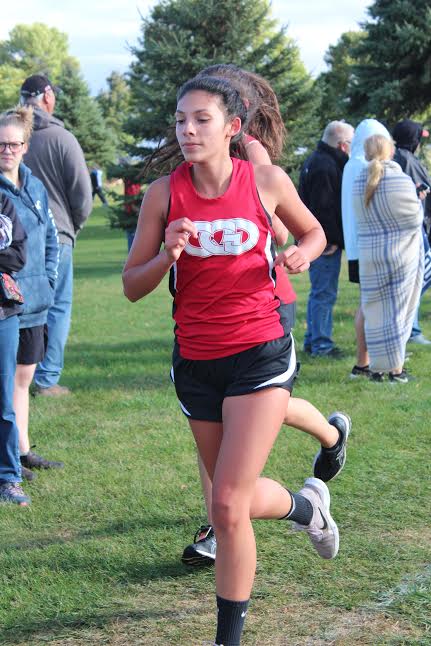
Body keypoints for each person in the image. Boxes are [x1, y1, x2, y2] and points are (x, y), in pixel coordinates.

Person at [123, 75, 340, 646]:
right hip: (196, 361)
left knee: (224, 502)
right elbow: (130, 285)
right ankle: (307, 507)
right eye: (180, 121)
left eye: (201, 119)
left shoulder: (265, 179)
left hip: (259, 353)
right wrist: (166, 252)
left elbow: (316, 232)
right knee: (230, 504)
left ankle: (228, 639)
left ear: (232, 128)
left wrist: (302, 251)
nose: (188, 130)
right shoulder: (162, 195)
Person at [180, 65, 351, 567]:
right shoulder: (187, 161)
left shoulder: (253, 158)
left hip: (266, 302)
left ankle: (223, 520)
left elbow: (280, 225)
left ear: (237, 117)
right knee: (235, 414)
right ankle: (329, 438)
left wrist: (269, 236)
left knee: (262, 404)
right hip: (212, 325)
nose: (192, 126)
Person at [19, 74, 93, 396]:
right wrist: (72, 228)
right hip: (56, 234)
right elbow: (83, 195)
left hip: (14, 235)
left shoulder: (9, 135)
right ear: (47, 96)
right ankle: (46, 379)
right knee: (57, 306)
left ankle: (17, 375)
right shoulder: (62, 139)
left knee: (17, 306)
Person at [0, 105, 63, 478]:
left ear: (25, 146)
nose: (6, 150)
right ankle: (8, 460)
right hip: (7, 304)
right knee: (5, 383)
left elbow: (52, 238)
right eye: (0, 144)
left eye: (13, 144)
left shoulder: (34, 184)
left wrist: (50, 279)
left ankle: (21, 450)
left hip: (37, 301)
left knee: (23, 380)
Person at [353, 134, 423, 382]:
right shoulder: (399, 178)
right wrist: (420, 200)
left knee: (373, 310)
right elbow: (414, 218)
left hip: (370, 254)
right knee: (398, 312)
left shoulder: (359, 179)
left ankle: (373, 367)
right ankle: (395, 371)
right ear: (390, 151)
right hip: (399, 254)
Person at [299, 120, 354, 358]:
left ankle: (313, 341)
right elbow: (323, 209)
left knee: (319, 292)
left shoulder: (316, 160)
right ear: (343, 145)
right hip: (324, 243)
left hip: (316, 240)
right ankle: (321, 345)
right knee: (324, 293)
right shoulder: (326, 166)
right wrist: (330, 240)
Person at [341, 119, 392, 379]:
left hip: (357, 247)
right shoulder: (364, 167)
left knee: (368, 305)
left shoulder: (352, 165)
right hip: (369, 246)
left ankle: (365, 362)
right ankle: (366, 363)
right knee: (372, 307)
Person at [0, 192, 29, 505]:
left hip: (3, 313)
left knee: (3, 402)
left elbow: (17, 257)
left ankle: (8, 476)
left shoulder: (3, 203)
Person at [392, 119, 431, 345]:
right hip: (414, 230)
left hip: (413, 229)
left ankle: (410, 328)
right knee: (417, 280)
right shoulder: (404, 159)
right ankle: (413, 330)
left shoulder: (401, 157)